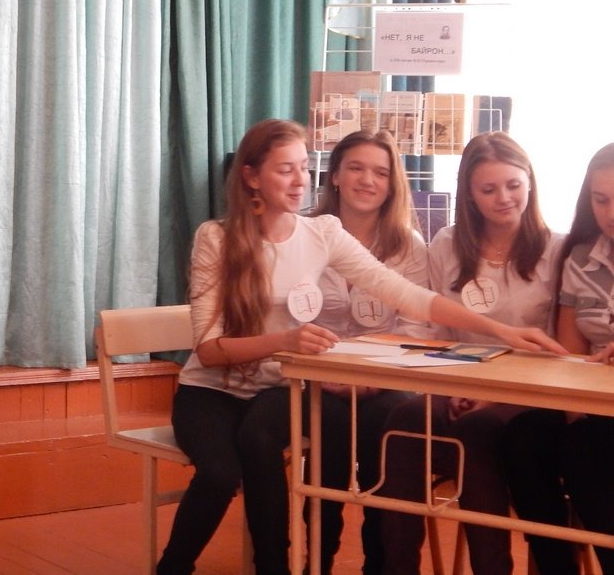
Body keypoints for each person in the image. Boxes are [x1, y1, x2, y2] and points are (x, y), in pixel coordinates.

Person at [155, 119, 562, 575]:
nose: (299, 180)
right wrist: (287, 342)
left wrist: (502, 332)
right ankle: (261, 564)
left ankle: (343, 562)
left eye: (304, 167)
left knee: (327, 426)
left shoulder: (322, 233)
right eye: (286, 170)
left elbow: (408, 296)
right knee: (232, 463)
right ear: (251, 176)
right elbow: (209, 351)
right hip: (228, 386)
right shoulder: (216, 236)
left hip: (283, 382)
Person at [378, 131, 563, 575]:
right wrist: (453, 385)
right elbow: (436, 333)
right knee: (403, 420)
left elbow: (560, 347)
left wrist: (493, 395)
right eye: (489, 189)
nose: (504, 198)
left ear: (530, 183)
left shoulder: (557, 249)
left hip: (529, 391)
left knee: (475, 431)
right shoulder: (446, 244)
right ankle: (398, 568)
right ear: (470, 195)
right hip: (457, 379)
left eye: (513, 185)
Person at [308, 130, 431, 574]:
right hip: (316, 377)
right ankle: (317, 558)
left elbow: (416, 329)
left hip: (387, 381)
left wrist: (370, 381)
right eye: (356, 168)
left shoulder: (409, 245)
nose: (367, 180)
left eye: (380, 172)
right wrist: (326, 374)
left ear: (392, 183)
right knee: (329, 424)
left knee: (388, 424)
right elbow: (286, 319)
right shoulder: (303, 234)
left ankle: (379, 563)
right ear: (335, 175)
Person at [500, 143, 614, 574]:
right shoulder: (581, 259)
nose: (610, 213)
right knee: (524, 437)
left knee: (585, 451)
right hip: (596, 408)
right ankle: (555, 567)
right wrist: (574, 415)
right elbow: (570, 358)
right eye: (601, 200)